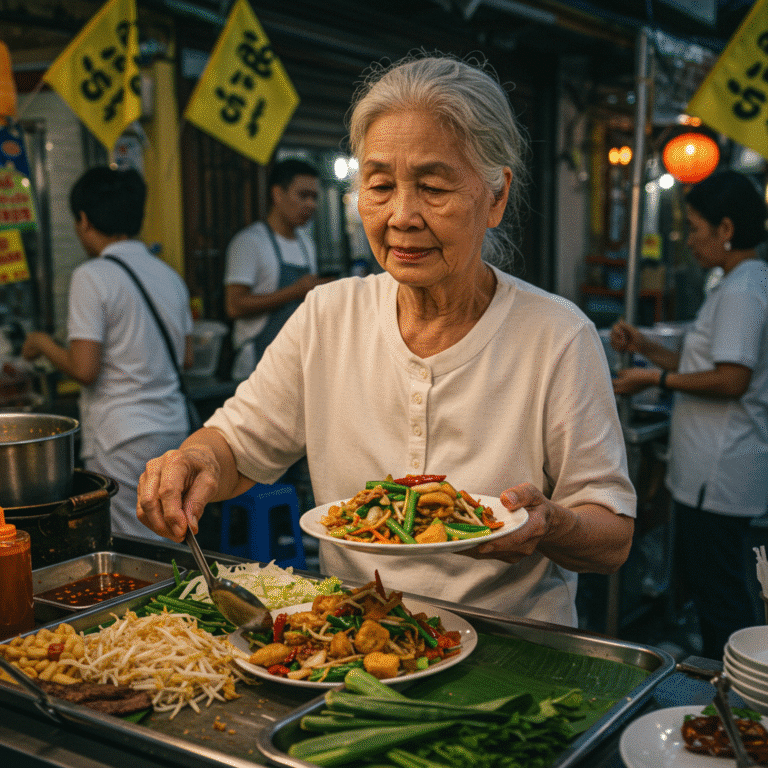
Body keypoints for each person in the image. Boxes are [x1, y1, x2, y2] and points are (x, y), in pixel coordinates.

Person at [137, 53, 635, 626]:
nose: (401, 215)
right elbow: (235, 446)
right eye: (379, 185)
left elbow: (612, 536)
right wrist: (192, 462)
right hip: (354, 641)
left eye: (432, 187)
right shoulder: (329, 314)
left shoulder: (557, 336)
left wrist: (551, 524)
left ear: (496, 196)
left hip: (513, 651)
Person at [611, 169, 768, 658]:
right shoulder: (738, 283)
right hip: (712, 470)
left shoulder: (743, 291)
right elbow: (704, 365)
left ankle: (735, 699)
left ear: (726, 230)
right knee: (713, 585)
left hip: (718, 474)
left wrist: (650, 379)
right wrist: (647, 348)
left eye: (696, 229)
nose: (689, 240)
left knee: (722, 596)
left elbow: (730, 380)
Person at [22, 166, 194, 542]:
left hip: (122, 436)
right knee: (171, 533)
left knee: (132, 543)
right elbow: (187, 359)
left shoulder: (92, 275)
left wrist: (41, 343)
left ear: (84, 220)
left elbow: (85, 369)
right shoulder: (168, 275)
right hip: (173, 427)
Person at [224, 158, 329, 381]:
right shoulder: (250, 242)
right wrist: (295, 292)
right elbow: (234, 306)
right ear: (278, 194)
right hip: (257, 367)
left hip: (297, 363)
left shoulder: (306, 244)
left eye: (315, 197)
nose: (311, 204)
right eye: (303, 195)